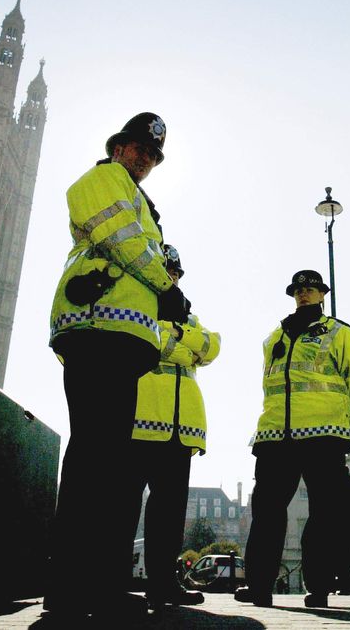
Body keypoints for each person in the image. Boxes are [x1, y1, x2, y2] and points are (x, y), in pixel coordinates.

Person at [44, 113, 190, 619]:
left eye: (153, 155)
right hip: (96, 328)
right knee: (92, 461)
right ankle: (69, 584)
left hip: (121, 337)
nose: (146, 160)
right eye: (140, 150)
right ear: (120, 146)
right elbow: (123, 242)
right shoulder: (105, 179)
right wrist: (167, 288)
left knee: (106, 463)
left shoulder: (139, 198)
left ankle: (96, 581)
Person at [234, 270, 350, 609]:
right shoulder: (273, 337)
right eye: (299, 290)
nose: (304, 295)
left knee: (323, 511)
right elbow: (269, 386)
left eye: (310, 289)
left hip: (324, 434)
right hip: (275, 433)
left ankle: (319, 586)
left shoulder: (339, 332)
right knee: (265, 511)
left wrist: (340, 415)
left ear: (322, 294)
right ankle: (259, 585)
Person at [126, 244, 220, 609]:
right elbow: (154, 342)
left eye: (175, 273)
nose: (170, 278)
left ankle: (163, 583)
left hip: (181, 426)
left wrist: (179, 337)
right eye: (165, 271)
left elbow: (213, 347)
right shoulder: (137, 303)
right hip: (138, 419)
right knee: (123, 508)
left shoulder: (188, 316)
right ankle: (114, 581)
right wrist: (184, 343)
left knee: (169, 512)